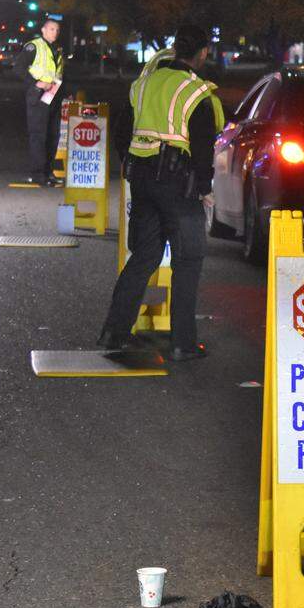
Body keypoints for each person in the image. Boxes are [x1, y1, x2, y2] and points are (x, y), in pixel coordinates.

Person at [98, 25, 223, 360]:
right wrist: (205, 187)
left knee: (144, 256)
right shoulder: (196, 91)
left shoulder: (142, 84)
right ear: (202, 53)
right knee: (188, 259)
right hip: (177, 182)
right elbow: (202, 147)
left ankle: (114, 331)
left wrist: (134, 163)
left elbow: (122, 133)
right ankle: (183, 343)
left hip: (141, 179)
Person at [16, 17, 67, 186]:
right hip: (37, 96)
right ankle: (38, 174)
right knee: (39, 136)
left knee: (53, 136)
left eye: (58, 30)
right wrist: (37, 83)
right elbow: (18, 68)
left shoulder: (58, 48)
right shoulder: (34, 46)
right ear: (44, 30)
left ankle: (48, 172)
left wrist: (66, 93)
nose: (55, 32)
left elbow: (58, 74)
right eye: (52, 29)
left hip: (53, 96)